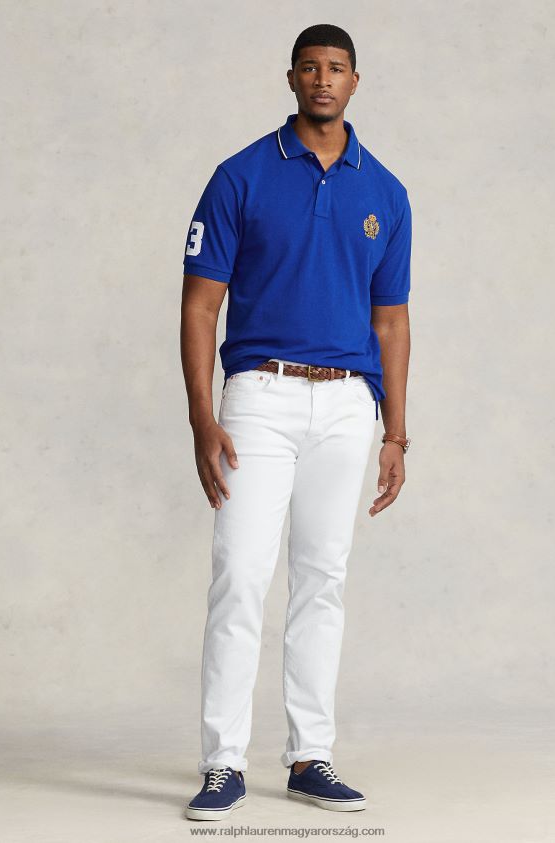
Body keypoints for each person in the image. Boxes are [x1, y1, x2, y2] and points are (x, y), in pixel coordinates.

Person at [180, 23, 412, 821]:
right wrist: (202, 416)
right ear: (291, 79)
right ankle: (222, 762)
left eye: (336, 68)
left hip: (348, 404)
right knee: (241, 575)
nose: (323, 79)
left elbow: (391, 320)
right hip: (260, 396)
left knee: (323, 578)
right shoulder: (240, 176)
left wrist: (396, 431)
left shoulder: (385, 192)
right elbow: (200, 306)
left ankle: (311, 756)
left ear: (354, 82)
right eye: (309, 67)